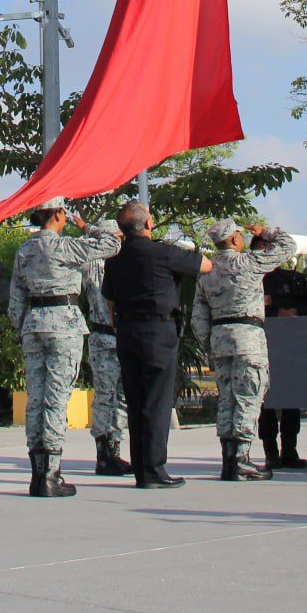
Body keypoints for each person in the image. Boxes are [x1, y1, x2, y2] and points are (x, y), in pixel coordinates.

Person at [8, 198, 121, 498]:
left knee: (35, 398)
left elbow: (15, 299)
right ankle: (51, 473)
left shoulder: (24, 250)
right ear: (59, 214)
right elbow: (112, 244)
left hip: (33, 324)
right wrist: (86, 225)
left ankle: (36, 473)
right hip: (64, 323)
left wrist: (23, 328)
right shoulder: (66, 247)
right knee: (56, 399)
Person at [101, 200, 211, 489]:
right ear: (148, 224)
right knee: (157, 403)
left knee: (136, 402)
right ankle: (154, 470)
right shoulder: (164, 253)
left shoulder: (114, 259)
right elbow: (206, 265)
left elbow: (109, 299)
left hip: (126, 331)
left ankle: (142, 468)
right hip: (158, 331)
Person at [192, 219, 295, 480]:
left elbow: (198, 318)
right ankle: (241, 459)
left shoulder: (206, 270)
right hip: (248, 336)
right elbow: (288, 246)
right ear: (236, 240)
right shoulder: (248, 262)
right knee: (249, 396)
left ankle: (228, 459)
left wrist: (209, 344)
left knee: (227, 398)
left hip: (220, 337)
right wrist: (265, 232)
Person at [253, 232, 307, 469]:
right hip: (262, 348)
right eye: (263, 248)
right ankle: (271, 453)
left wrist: (294, 311)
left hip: (291, 348)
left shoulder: (293, 279)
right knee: (266, 403)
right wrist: (273, 314)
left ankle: (289, 450)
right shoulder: (251, 278)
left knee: (292, 400)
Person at [82, 249, 132, 476]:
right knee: (105, 396)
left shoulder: (121, 264)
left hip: (123, 336)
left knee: (122, 397)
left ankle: (115, 448)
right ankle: (103, 453)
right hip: (104, 337)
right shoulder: (94, 265)